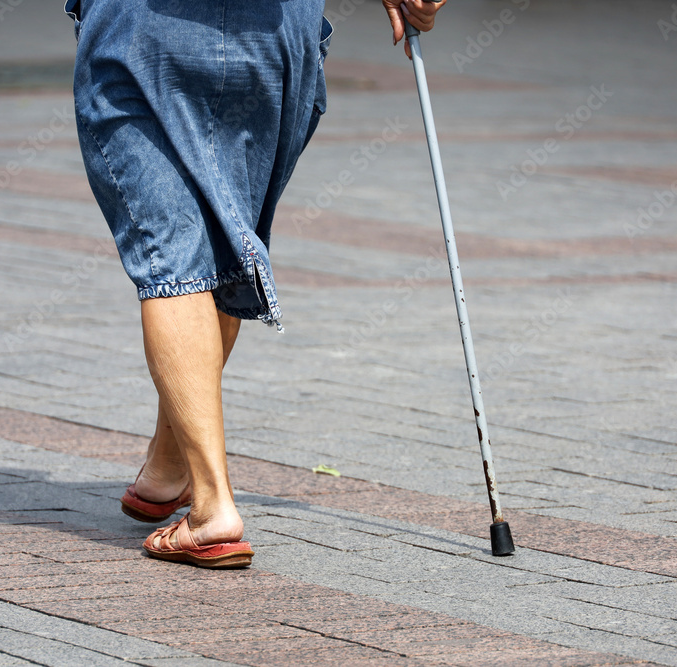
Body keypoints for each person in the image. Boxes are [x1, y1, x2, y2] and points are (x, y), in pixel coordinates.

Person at [66, 0, 446, 568]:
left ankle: (213, 510)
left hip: (149, 28)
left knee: (173, 257)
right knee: (223, 239)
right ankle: (172, 468)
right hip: (275, 35)